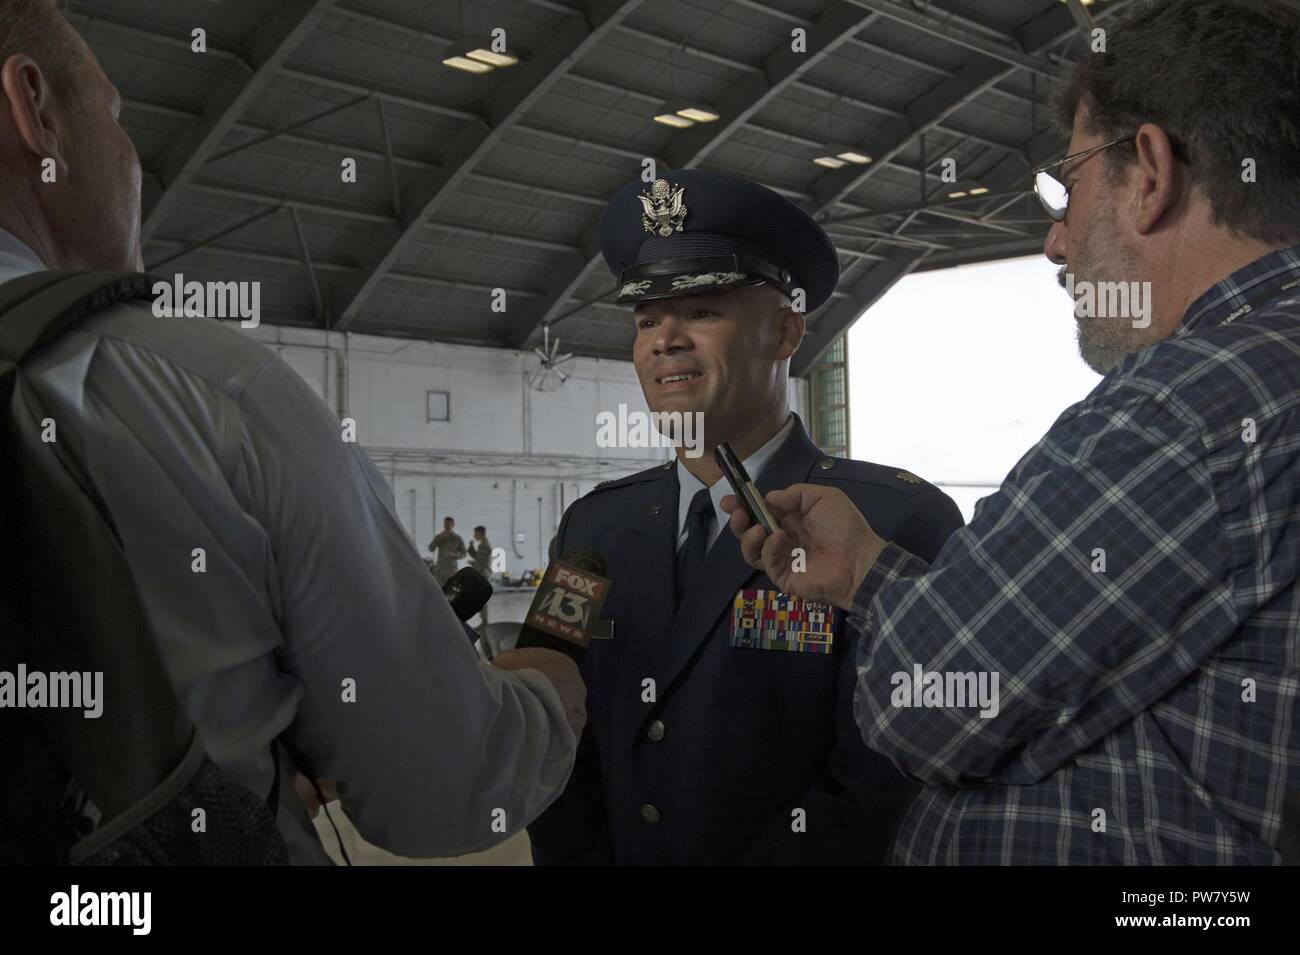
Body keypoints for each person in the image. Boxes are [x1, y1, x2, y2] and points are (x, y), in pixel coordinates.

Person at [0, 0, 584, 863]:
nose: (133, 163)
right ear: (34, 108)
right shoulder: (206, 391)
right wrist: (552, 692)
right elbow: (446, 783)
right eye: (114, 118)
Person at [725, 0, 1300, 865]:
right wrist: (869, 574)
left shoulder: (1188, 407)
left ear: (1150, 171)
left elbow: (926, 703)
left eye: (1069, 188)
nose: (1057, 241)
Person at [525, 169, 964, 864]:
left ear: (786, 330)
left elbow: (888, 774)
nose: (665, 339)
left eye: (701, 312)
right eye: (646, 319)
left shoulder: (897, 520)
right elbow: (553, 722)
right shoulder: (590, 532)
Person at [429, 516, 466, 586]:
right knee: (439, 592)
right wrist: (440, 538)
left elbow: (464, 554)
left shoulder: (457, 539)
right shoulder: (439, 536)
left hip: (451, 571)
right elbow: (431, 548)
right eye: (445, 524)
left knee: (450, 592)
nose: (446, 526)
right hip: (439, 571)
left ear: (453, 525)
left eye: (448, 525)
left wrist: (454, 555)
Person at [467, 525, 493, 626]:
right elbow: (477, 557)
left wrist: (473, 563)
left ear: (481, 534)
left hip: (483, 574)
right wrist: (471, 547)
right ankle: (483, 621)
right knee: (480, 598)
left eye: (475, 533)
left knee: (482, 599)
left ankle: (485, 621)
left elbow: (481, 562)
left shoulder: (484, 545)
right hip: (482, 573)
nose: (474, 535)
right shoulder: (482, 544)